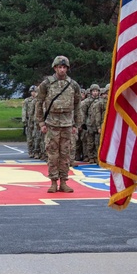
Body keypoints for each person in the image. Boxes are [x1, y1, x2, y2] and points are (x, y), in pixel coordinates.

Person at [35, 55, 82, 193]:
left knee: (65, 154)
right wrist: (41, 122)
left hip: (67, 123)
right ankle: (53, 181)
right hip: (52, 123)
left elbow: (77, 105)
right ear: (55, 68)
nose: (62, 70)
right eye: (59, 67)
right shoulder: (47, 84)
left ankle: (64, 181)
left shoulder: (73, 85)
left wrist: (76, 124)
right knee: (52, 153)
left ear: (67, 69)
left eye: (64, 67)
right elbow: (39, 103)